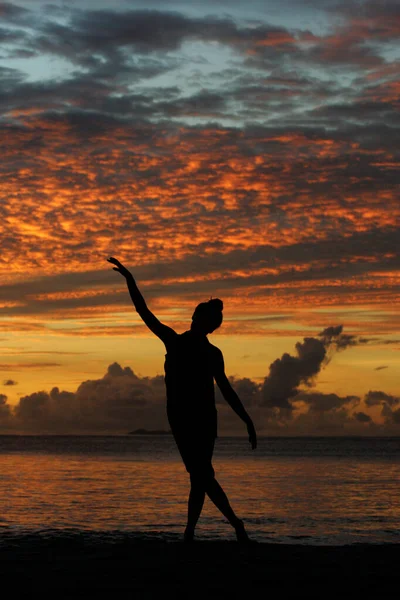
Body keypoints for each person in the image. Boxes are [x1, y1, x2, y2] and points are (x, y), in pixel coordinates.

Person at [108, 257, 257, 542]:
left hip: (196, 419)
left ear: (205, 324)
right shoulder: (176, 342)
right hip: (184, 418)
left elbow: (226, 391)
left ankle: (212, 528)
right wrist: (130, 279)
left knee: (200, 475)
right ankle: (206, 529)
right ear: (198, 319)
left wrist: (247, 421)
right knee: (200, 475)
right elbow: (143, 311)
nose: (201, 324)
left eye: (207, 321)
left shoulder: (202, 351)